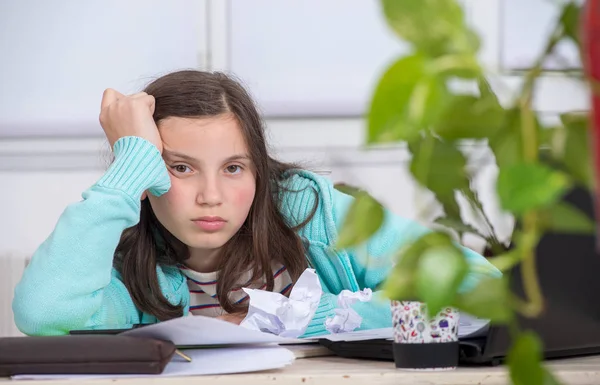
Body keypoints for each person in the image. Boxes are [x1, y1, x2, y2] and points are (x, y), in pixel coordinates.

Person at [12, 70, 500, 337]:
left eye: (233, 168)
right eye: (180, 168)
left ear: (259, 171)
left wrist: (297, 319)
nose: (211, 196)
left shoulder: (309, 211)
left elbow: (479, 289)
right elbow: (43, 315)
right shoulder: (120, 253)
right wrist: (127, 170)